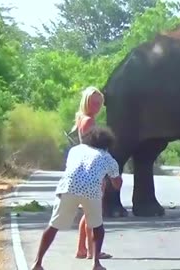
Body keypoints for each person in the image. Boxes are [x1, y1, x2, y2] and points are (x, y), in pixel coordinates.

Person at [31, 126, 123, 270]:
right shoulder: (108, 158)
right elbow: (117, 184)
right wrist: (113, 179)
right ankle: (96, 263)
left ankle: (37, 263)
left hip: (68, 187)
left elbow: (73, 168)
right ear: (107, 144)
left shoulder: (75, 150)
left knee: (53, 225)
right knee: (97, 226)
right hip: (91, 190)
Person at [71, 86, 114, 260]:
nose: (96, 105)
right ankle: (91, 250)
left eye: (99, 103)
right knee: (94, 213)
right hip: (91, 171)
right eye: (93, 102)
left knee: (89, 212)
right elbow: (94, 148)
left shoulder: (82, 119)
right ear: (86, 102)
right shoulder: (88, 121)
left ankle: (81, 249)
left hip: (84, 169)